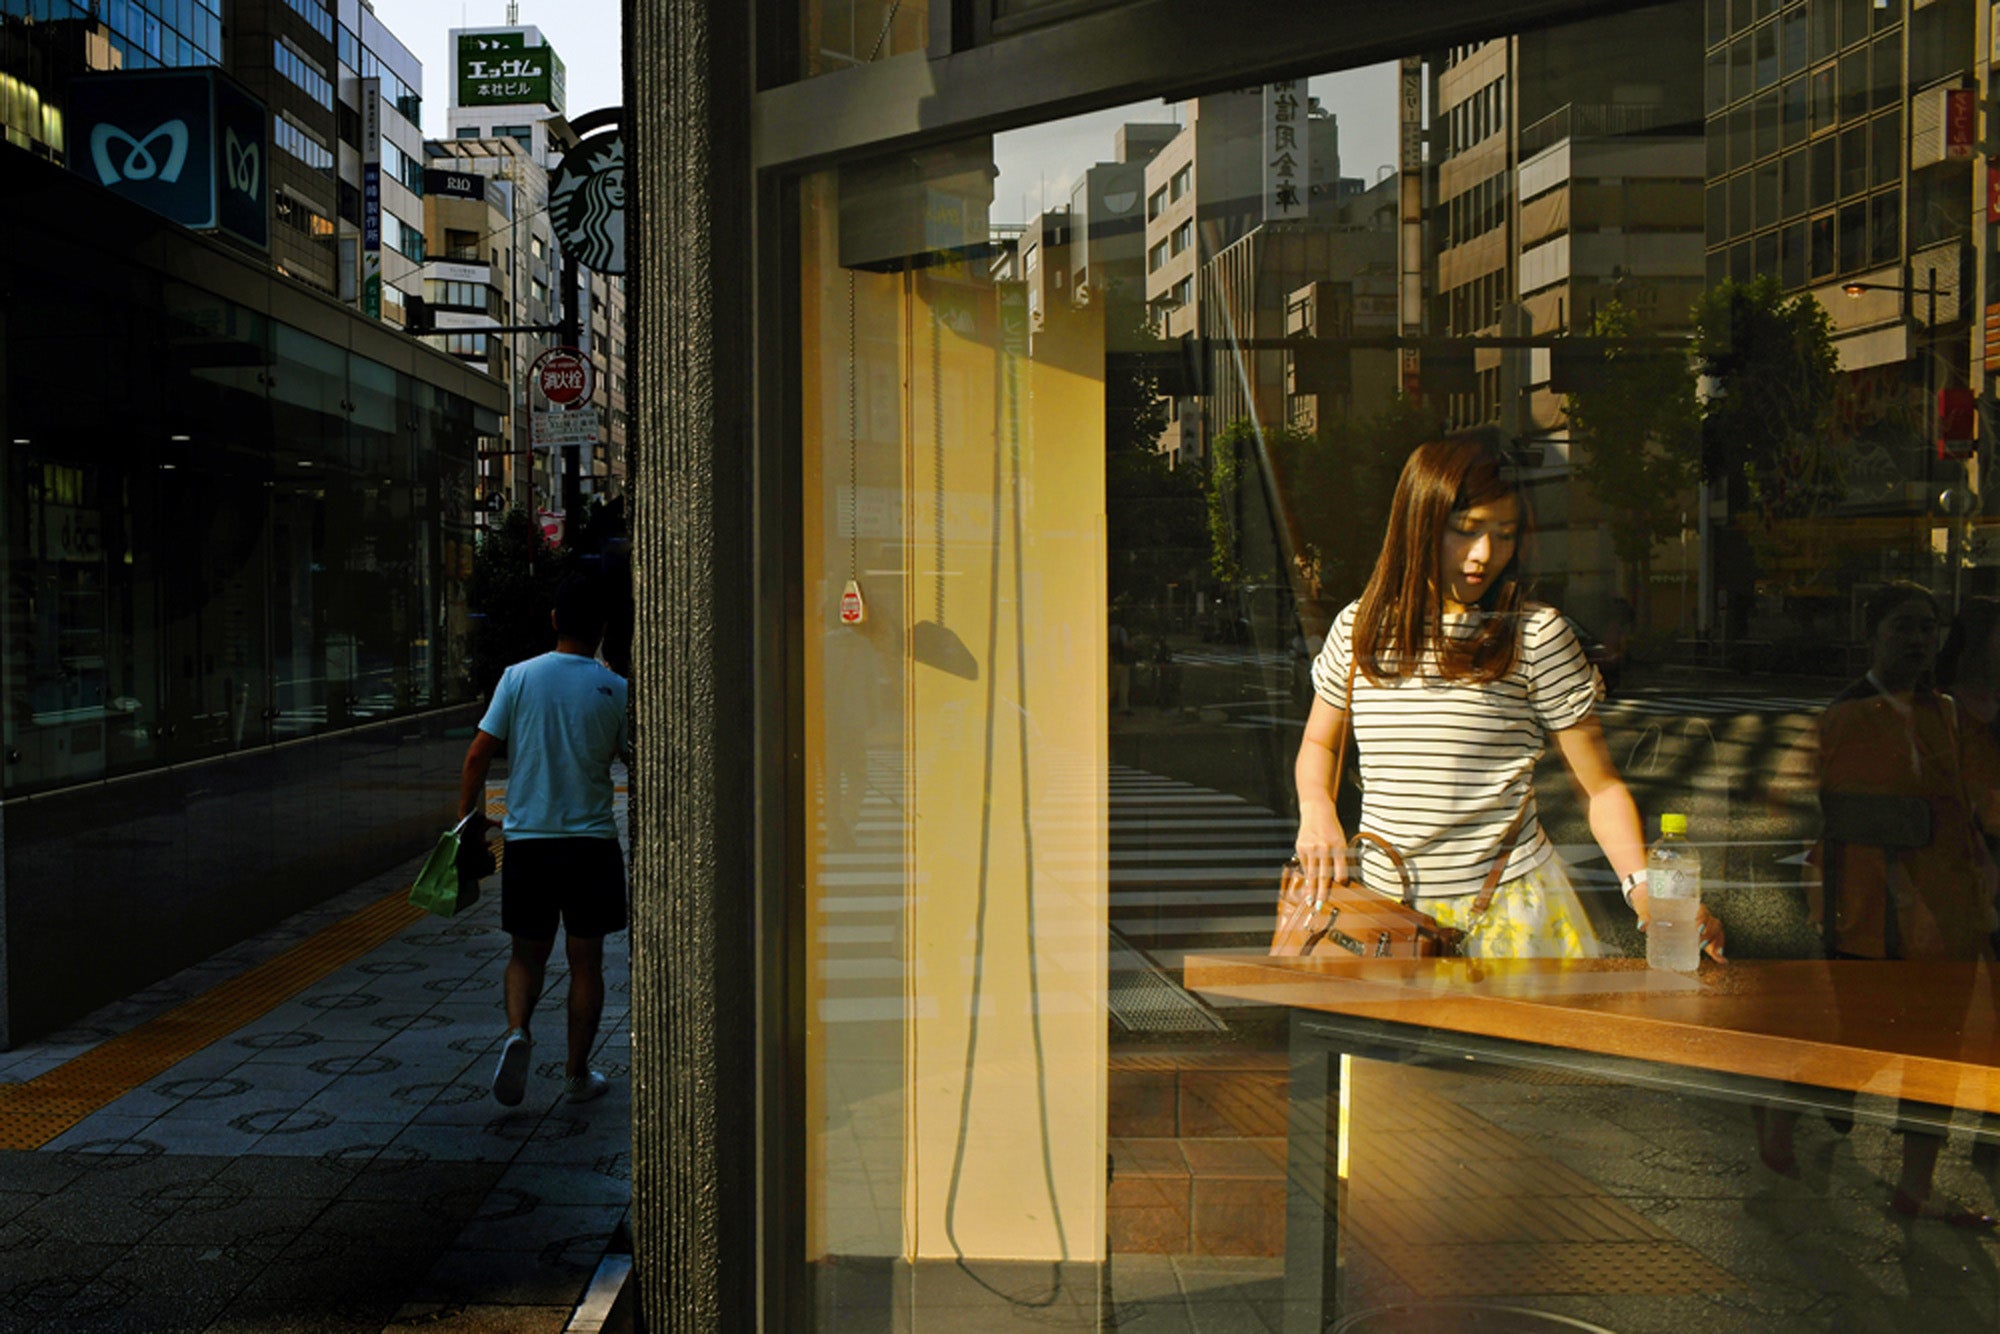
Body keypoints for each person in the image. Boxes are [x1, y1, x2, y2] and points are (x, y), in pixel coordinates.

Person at [1292, 433, 1726, 961]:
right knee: (1383, 1045)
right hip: (1382, 915)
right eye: (1466, 531)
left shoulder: (1534, 634)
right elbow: (1321, 744)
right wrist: (1317, 808)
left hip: (1509, 915)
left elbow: (1600, 786)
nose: (1485, 556)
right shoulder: (1360, 628)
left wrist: (1642, 888)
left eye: (1504, 535)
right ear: (1418, 525)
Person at [1756, 581, 1998, 1225]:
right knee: (1859, 1037)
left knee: (1941, 1052)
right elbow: (1803, 802)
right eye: (1904, 626)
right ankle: (1782, 1110)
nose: (1919, 640)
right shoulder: (1844, 714)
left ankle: (1915, 1184)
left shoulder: (1947, 713)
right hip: (1868, 912)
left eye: (1928, 627)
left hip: (1947, 914)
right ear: (1874, 632)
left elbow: (1978, 803)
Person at [459, 574, 630, 1107]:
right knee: (586, 964)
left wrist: (470, 821)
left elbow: (477, 755)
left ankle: (517, 1031)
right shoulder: (615, 689)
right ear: (601, 629)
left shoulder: (518, 678)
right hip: (591, 844)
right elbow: (637, 763)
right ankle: (577, 1075)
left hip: (529, 841)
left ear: (554, 621)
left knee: (524, 956)